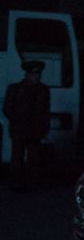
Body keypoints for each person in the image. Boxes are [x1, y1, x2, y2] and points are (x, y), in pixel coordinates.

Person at [5, 59, 52, 192]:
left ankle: (31, 183)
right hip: (19, 129)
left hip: (35, 129)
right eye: (32, 74)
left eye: (37, 74)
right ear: (26, 74)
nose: (35, 76)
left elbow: (45, 111)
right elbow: (7, 108)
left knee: (33, 158)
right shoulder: (15, 88)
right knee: (17, 158)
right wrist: (17, 120)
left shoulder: (44, 90)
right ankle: (16, 183)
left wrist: (45, 128)